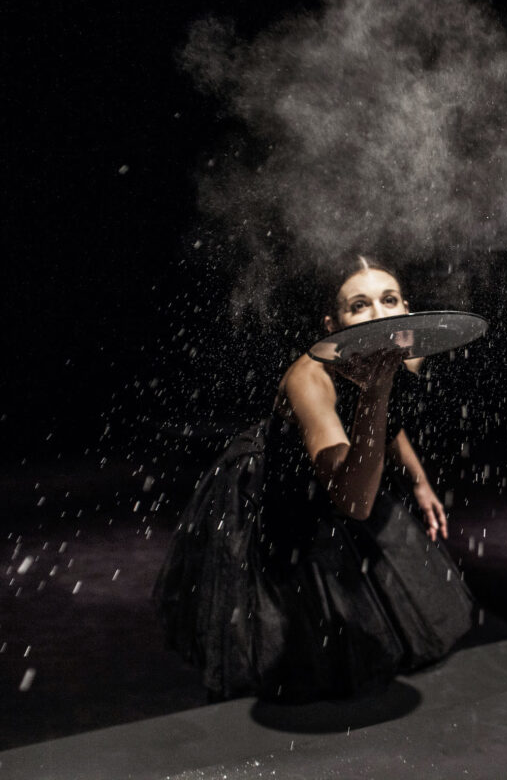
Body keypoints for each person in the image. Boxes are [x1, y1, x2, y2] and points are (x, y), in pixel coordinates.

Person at [154, 256, 474, 701]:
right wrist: (376, 391)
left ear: (406, 309)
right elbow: (353, 501)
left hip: (348, 467)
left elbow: (389, 422)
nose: (379, 315)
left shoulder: (405, 349)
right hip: (281, 488)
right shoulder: (310, 379)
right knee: (290, 647)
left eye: (389, 300)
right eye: (359, 306)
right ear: (332, 325)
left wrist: (419, 482)